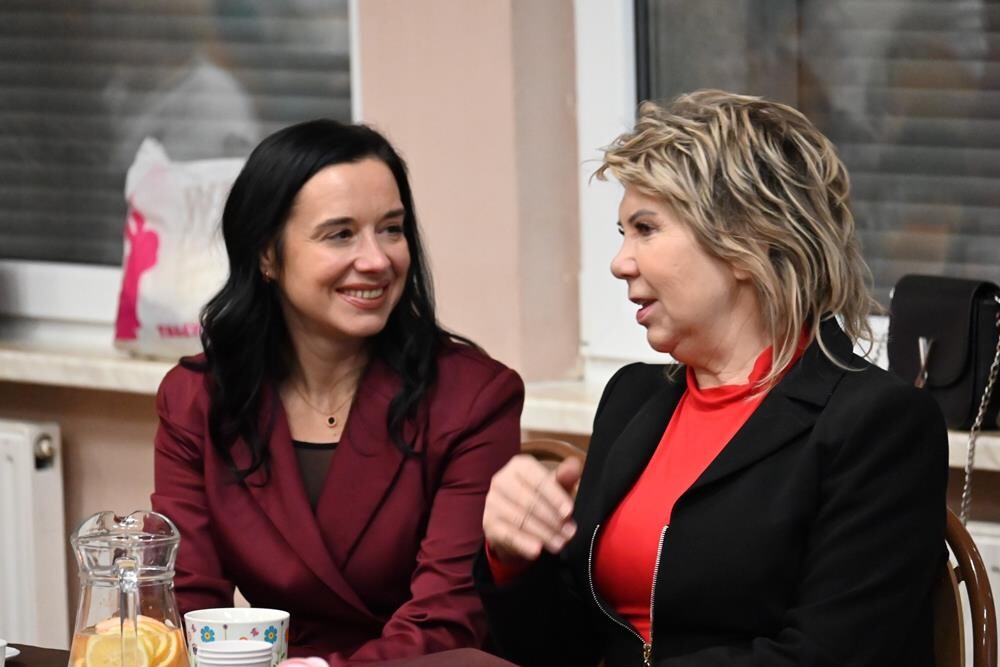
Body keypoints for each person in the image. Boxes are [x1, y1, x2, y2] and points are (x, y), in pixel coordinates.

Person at [475, 90, 948, 666]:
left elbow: (829, 655)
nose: (620, 262)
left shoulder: (878, 423)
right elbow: (563, 650)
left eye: (645, 229)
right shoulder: (632, 398)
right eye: (622, 233)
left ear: (747, 240)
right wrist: (511, 557)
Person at [151, 119, 523, 665]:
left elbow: (446, 620)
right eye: (340, 234)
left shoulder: (473, 397)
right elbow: (188, 604)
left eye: (391, 229)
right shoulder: (197, 398)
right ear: (266, 254)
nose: (377, 260)